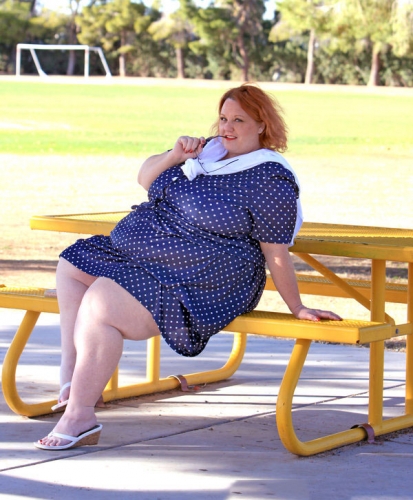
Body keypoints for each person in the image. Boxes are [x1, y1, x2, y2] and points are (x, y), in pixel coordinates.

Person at [34, 83, 341, 451]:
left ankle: (80, 415)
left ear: (262, 124)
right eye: (224, 118)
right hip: (148, 259)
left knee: (101, 301)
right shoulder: (207, 153)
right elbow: (146, 178)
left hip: (205, 277)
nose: (227, 127)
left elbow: (275, 251)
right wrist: (175, 155)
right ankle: (73, 379)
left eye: (239, 120)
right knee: (72, 265)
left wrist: (298, 306)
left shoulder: (269, 178)